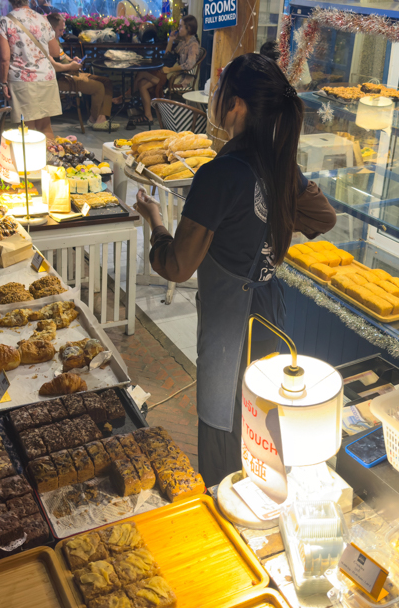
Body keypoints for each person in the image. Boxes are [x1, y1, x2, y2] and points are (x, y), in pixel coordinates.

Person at [133, 53, 337, 483]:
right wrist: (269, 218)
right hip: (270, 316)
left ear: (237, 105)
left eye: (218, 92)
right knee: (262, 429)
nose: (214, 100)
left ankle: (228, 526)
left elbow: (176, 266)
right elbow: (323, 218)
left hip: (230, 331)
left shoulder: (219, 174)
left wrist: (155, 222)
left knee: (223, 439)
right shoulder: (280, 165)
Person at [0, 0, 61, 141]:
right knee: (45, 127)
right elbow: (55, 51)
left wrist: (3, 82)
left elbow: (4, 58)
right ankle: (52, 162)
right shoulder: (43, 19)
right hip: (46, 78)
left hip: (22, 80)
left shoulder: (5, 22)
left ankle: (30, 167)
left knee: (27, 130)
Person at [47, 11, 119, 131]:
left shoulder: (56, 39)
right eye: (60, 30)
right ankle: (95, 119)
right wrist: (71, 66)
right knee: (99, 87)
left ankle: (100, 119)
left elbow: (62, 56)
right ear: (51, 28)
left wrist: (72, 60)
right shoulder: (47, 42)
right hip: (63, 77)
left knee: (107, 82)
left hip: (71, 72)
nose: (62, 33)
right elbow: (53, 66)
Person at [129, 14, 200, 127]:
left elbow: (189, 65)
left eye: (181, 26)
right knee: (142, 84)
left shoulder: (193, 44)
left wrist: (170, 69)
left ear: (189, 28)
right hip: (169, 74)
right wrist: (171, 40)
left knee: (141, 73)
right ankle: (148, 116)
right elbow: (167, 56)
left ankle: (127, 98)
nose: (178, 29)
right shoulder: (183, 43)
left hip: (179, 79)